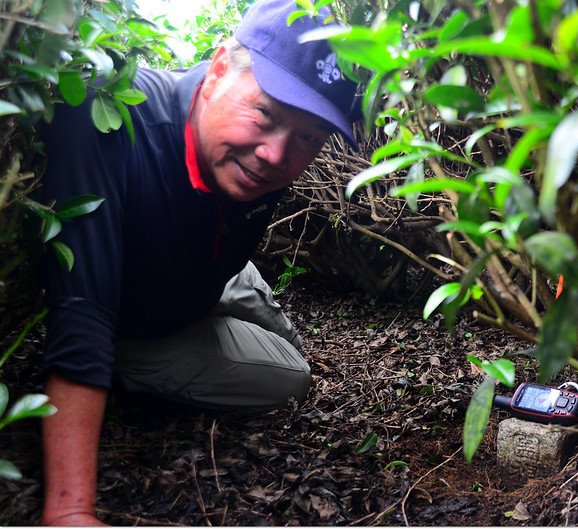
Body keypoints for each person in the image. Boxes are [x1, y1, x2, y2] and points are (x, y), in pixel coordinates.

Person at [37, 0, 359, 525]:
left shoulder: (253, 150)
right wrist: (70, 510)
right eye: (265, 113)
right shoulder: (111, 115)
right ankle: (135, 373)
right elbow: (83, 308)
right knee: (292, 378)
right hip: (142, 317)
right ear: (215, 71)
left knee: (281, 333)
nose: (276, 156)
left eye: (307, 138)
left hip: (212, 271)